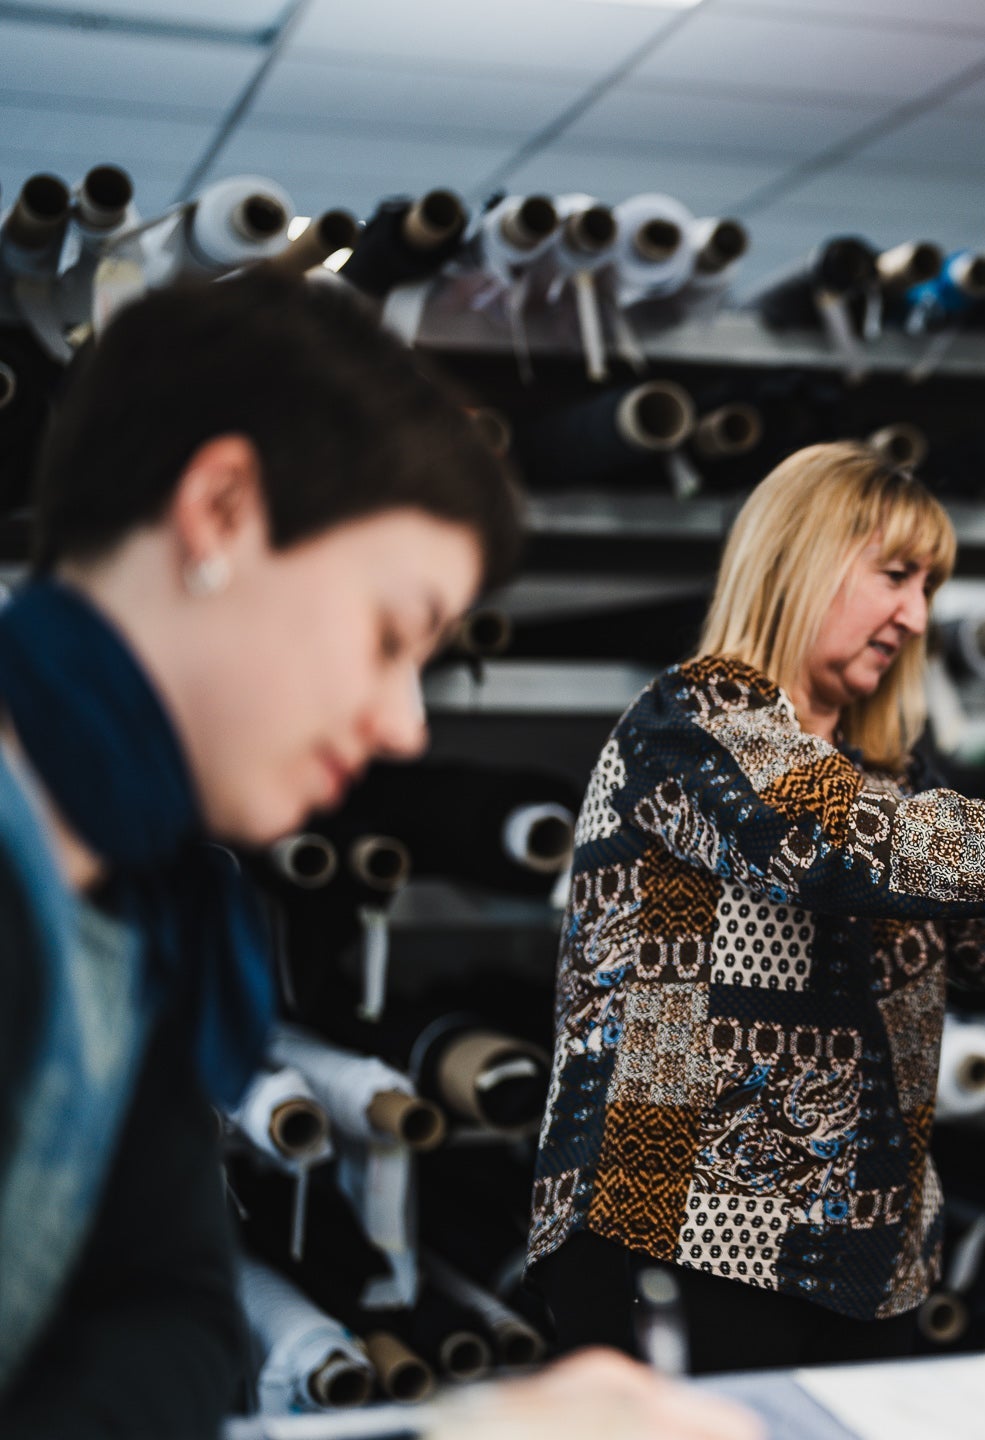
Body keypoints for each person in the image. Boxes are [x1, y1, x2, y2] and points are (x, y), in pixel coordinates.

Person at [0, 274, 753, 1440]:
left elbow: (169, 1314)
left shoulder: (137, 913)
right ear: (222, 512)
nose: (405, 726)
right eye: (391, 634)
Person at [529, 441, 985, 1370]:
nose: (916, 616)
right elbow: (846, 847)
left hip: (866, 1259)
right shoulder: (693, 719)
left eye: (929, 587)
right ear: (799, 558)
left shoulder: (887, 771)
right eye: (895, 575)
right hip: (681, 1229)